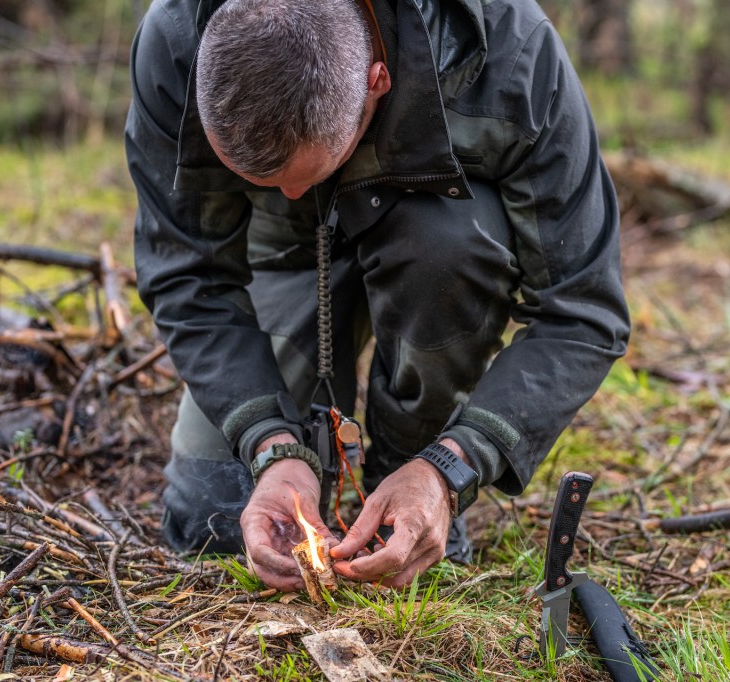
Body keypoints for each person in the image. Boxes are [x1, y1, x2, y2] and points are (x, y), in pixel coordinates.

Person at [125, 0, 629, 591]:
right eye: (258, 180)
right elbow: (187, 275)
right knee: (211, 520)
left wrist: (451, 467)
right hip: (280, 258)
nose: (290, 193)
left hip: (439, 254)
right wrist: (270, 444)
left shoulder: (510, 50)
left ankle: (411, 477)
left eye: (304, 174)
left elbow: (584, 311)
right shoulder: (174, 37)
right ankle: (312, 460)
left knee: (446, 247)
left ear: (377, 82)